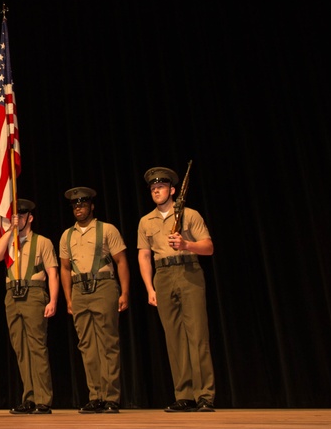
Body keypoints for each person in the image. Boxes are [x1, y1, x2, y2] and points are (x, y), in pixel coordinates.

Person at [136, 166, 215, 413]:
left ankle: (205, 395)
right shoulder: (145, 221)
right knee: (174, 338)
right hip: (163, 275)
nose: (156, 191)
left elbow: (209, 247)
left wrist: (187, 244)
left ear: (172, 190)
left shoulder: (189, 214)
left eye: (160, 187)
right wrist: (149, 288)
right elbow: (144, 256)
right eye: (152, 188)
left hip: (188, 271)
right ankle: (184, 394)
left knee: (197, 335)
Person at [59, 186, 129, 414]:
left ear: (91, 206)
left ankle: (111, 397)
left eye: (83, 204)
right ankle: (95, 395)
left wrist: (124, 292)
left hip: (104, 285)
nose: (79, 208)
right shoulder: (67, 235)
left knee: (108, 343)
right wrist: (68, 298)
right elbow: (65, 268)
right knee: (87, 345)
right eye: (75, 206)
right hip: (80, 289)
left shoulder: (107, 229)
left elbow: (121, 262)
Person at [0, 198, 58, 415]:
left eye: (21, 216)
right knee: (21, 349)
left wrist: (53, 300)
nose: (17, 219)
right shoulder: (10, 243)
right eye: (13, 216)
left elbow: (53, 273)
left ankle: (43, 399)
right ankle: (28, 397)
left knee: (37, 347)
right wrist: (10, 231)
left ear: (30, 217)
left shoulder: (42, 242)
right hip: (12, 295)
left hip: (34, 292)